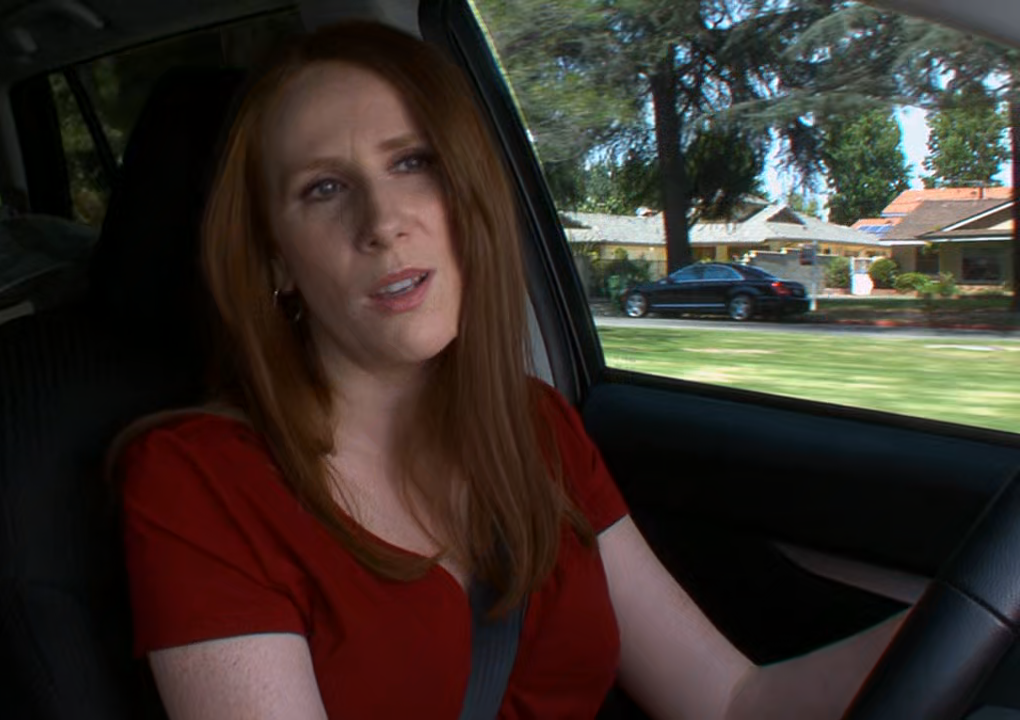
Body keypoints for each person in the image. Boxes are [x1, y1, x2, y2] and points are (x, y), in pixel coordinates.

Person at [116, 20, 908, 720]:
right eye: (323, 188)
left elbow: (731, 703)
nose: (384, 222)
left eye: (414, 162)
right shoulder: (199, 482)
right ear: (275, 261)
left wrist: (962, 617)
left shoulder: (537, 428)